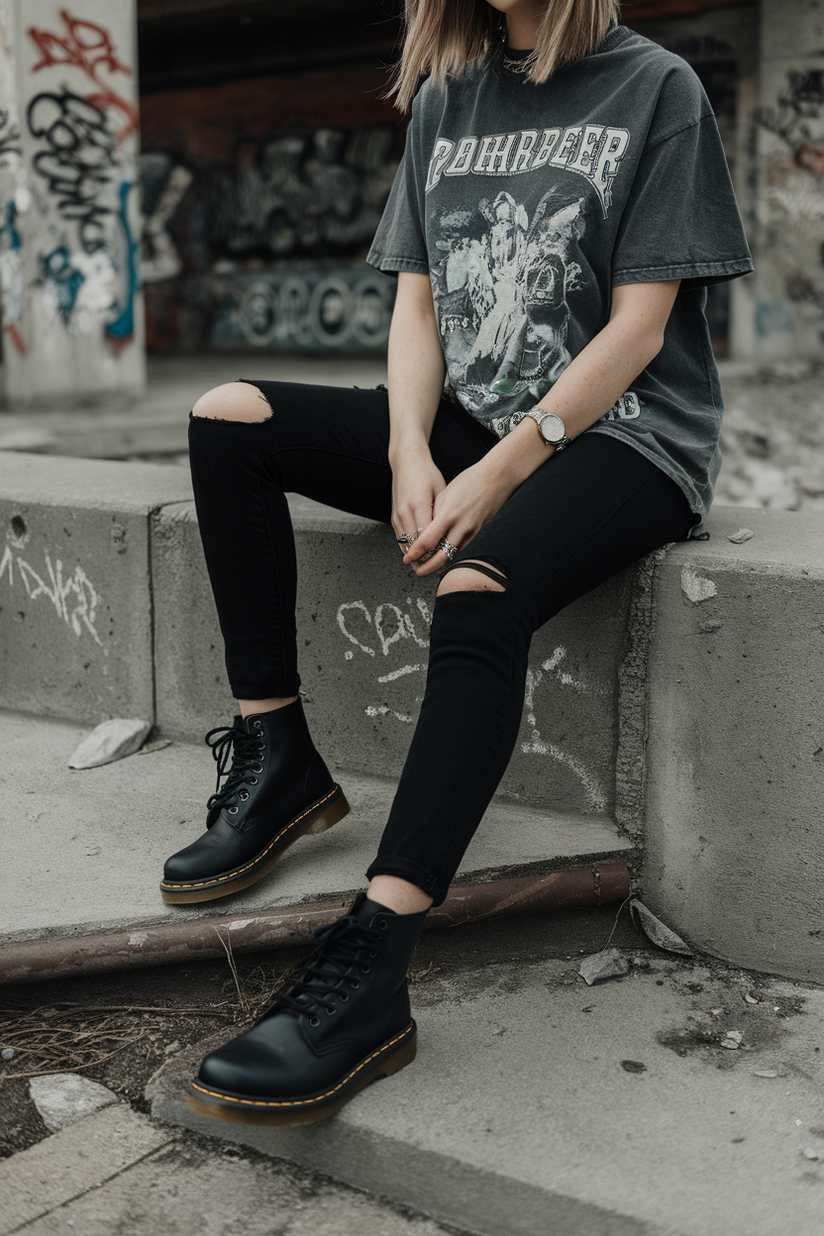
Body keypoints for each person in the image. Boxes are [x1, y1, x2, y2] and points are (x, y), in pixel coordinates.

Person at [166, 0, 752, 1128]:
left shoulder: (655, 86)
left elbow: (637, 329)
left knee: (477, 588)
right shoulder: (447, 97)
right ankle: (279, 758)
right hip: (475, 420)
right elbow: (416, 302)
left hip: (626, 437)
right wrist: (404, 449)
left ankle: (373, 962)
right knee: (227, 415)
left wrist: (495, 477)